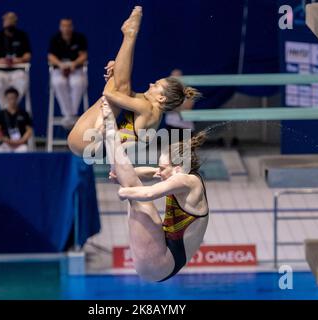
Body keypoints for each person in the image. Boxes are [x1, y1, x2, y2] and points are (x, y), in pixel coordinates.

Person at [67, 6, 201, 157]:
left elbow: (109, 93)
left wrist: (115, 70)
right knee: (123, 87)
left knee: (120, 89)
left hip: (89, 143)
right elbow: (124, 89)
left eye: (156, 85)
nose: (151, 84)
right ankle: (130, 35)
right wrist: (116, 69)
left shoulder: (147, 108)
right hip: (93, 143)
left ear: (161, 98)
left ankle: (130, 35)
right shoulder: (153, 111)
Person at [101, 97, 209, 282]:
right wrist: (122, 175)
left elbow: (149, 193)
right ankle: (110, 135)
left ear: (178, 167)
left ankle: (110, 128)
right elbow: (146, 173)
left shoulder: (187, 181)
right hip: (163, 259)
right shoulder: (180, 176)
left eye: (163, 167)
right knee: (129, 179)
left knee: (133, 190)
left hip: (160, 262)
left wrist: (124, 191)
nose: (159, 171)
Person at [48, 18, 88, 129]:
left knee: (78, 83)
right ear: (60, 27)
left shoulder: (79, 38)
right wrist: (60, 64)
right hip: (59, 68)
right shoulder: (55, 39)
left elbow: (83, 55)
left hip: (75, 68)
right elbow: (50, 56)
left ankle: (71, 114)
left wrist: (74, 64)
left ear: (72, 27)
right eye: (63, 26)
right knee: (58, 83)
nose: (66, 28)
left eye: (68, 26)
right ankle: (68, 114)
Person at [0, 12, 31, 109]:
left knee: (22, 81)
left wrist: (18, 60)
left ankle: (10, 109)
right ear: (3, 22)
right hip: (2, 71)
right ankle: (6, 111)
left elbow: (28, 55)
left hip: (17, 71)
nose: (9, 22)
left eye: (12, 20)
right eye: (7, 20)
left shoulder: (22, 36)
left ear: (15, 22)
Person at [0, 87, 33, 153]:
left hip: (20, 143)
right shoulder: (1, 114)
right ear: (6, 99)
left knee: (24, 150)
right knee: (0, 150)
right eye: (9, 98)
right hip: (6, 143)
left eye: (13, 98)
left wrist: (21, 141)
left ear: (17, 98)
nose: (12, 101)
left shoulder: (24, 113)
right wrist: (6, 140)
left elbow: (29, 131)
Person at [164, 69, 196, 139]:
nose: (176, 80)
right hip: (171, 124)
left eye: (178, 77)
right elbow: (166, 107)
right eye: (173, 78)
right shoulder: (166, 92)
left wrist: (173, 106)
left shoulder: (189, 91)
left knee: (186, 149)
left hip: (186, 126)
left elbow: (188, 107)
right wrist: (179, 107)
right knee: (172, 149)